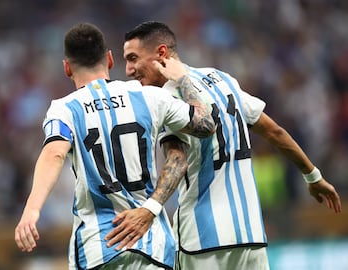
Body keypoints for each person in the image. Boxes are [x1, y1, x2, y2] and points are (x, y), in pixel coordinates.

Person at [105, 21, 342, 270]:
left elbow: (177, 159)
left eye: (133, 58)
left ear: (161, 53)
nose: (129, 70)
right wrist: (313, 176)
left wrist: (149, 210)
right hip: (250, 236)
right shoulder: (222, 79)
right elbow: (274, 131)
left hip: (202, 237)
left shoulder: (164, 98)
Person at [14, 22, 216, 270]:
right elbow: (206, 124)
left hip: (99, 248)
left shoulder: (64, 109)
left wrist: (32, 210)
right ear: (110, 59)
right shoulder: (149, 96)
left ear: (67, 67)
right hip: (153, 246)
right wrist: (183, 78)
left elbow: (55, 152)